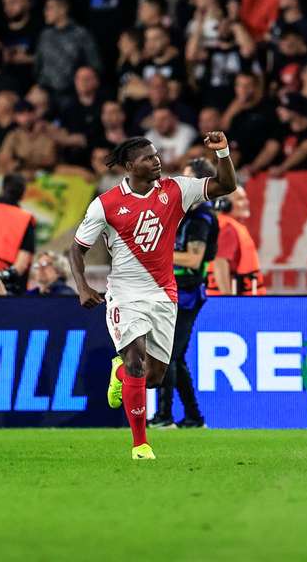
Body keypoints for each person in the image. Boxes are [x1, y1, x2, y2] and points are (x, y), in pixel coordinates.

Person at [68, 132, 237, 460]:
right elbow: (76, 249)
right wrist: (84, 287)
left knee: (155, 376)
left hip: (163, 295)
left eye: (157, 154)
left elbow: (225, 186)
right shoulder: (106, 204)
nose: (157, 160)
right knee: (135, 360)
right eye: (148, 157)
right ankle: (140, 444)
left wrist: (223, 153)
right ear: (130, 166)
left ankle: (118, 374)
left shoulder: (176, 190)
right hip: (125, 294)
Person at [149, 157, 219, 430]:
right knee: (174, 356)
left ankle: (165, 417)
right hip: (173, 291)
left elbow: (192, 259)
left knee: (167, 353)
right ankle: (193, 417)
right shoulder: (186, 215)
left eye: (187, 179)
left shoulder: (201, 218)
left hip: (187, 294)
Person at [206, 186, 266, 296]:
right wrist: (228, 301)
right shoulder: (227, 228)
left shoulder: (230, 225)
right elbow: (219, 262)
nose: (246, 202)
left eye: (245, 198)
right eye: (240, 199)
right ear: (225, 204)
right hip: (234, 302)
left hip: (240, 299)